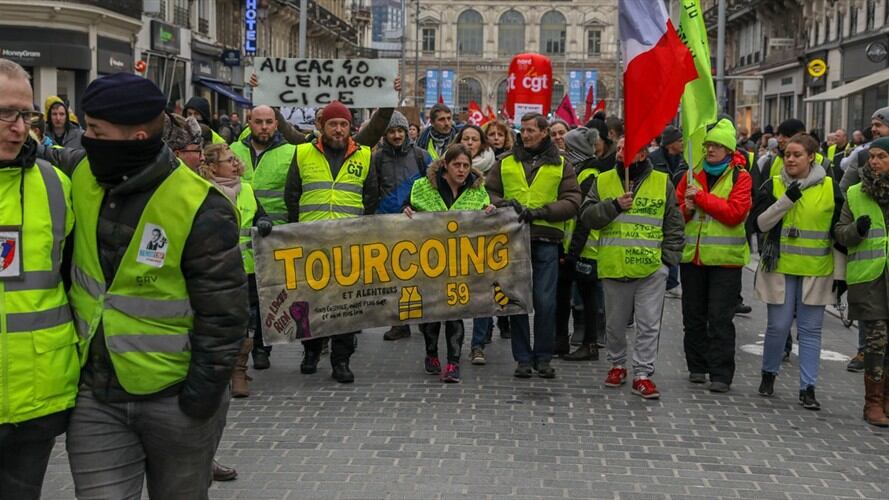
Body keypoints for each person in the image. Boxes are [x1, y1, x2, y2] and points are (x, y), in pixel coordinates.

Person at [41, 73, 247, 498]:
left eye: (96, 132)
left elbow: (224, 314)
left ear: (134, 138)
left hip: (176, 401)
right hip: (97, 397)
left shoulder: (201, 205)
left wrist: (200, 399)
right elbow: (44, 153)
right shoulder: (82, 173)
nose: (87, 138)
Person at [0, 58, 79, 500]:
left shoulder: (54, 183)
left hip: (37, 395)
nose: (19, 127)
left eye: (25, 114)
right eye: (5, 113)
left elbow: (74, 278)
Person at [282, 100, 380, 384]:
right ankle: (311, 351)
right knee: (311, 303)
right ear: (322, 126)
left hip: (348, 244)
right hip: (312, 242)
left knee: (346, 305)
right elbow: (292, 194)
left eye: (343, 124)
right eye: (333, 124)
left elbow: (370, 197)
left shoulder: (364, 155)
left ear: (351, 127)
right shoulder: (302, 153)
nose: (338, 129)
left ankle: (341, 360)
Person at [581, 137, 685, 399]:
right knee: (615, 325)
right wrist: (614, 206)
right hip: (615, 266)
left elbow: (674, 222)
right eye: (618, 148)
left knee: (649, 324)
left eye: (626, 149)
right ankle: (617, 364)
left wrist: (668, 260)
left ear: (641, 154)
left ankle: (643, 373)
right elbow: (587, 217)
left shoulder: (662, 182)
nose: (619, 153)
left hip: (651, 268)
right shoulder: (603, 180)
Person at [485, 112, 581, 379]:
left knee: (545, 301)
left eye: (530, 130)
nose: (524, 135)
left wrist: (542, 212)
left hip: (546, 240)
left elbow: (573, 200)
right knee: (516, 301)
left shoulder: (562, 164)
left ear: (544, 132)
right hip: (513, 239)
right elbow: (488, 193)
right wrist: (506, 205)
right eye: (522, 130)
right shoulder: (505, 162)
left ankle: (543, 356)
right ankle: (523, 358)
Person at [750, 134, 842, 410]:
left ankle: (808, 388)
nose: (789, 159)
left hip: (816, 270)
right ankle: (769, 374)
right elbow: (759, 224)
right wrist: (784, 202)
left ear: (811, 157)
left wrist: (842, 274)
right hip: (779, 268)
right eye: (786, 154)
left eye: (796, 154)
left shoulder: (829, 186)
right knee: (777, 328)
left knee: (810, 331)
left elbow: (837, 231)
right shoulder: (774, 184)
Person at [403, 144, 494, 382]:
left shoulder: (478, 190)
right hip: (429, 260)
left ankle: (453, 364)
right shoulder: (422, 187)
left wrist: (492, 212)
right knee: (433, 312)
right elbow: (405, 208)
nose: (462, 170)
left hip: (460, 262)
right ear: (446, 165)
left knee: (455, 312)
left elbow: (488, 217)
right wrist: (406, 211)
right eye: (457, 165)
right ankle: (431, 354)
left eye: (466, 165)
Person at [676, 119, 752, 392]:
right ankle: (696, 367)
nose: (710, 150)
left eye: (717, 146)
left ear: (729, 150)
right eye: (708, 145)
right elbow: (677, 216)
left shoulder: (740, 177)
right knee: (693, 316)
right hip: (692, 259)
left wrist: (701, 199)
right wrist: (686, 207)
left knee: (720, 318)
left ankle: (721, 374)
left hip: (725, 261)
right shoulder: (691, 175)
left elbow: (735, 214)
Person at [835, 137, 889, 427]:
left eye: (882, 156)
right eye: (873, 156)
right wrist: (856, 230)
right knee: (876, 343)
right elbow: (840, 232)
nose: (875, 161)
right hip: (869, 282)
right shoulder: (856, 193)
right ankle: (873, 404)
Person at [373, 110, 431, 341]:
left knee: (421, 273)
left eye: (400, 131)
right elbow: (372, 189)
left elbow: (434, 186)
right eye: (392, 131)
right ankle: (399, 322)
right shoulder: (377, 158)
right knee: (394, 275)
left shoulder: (421, 156)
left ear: (407, 132)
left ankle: (425, 319)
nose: (396, 135)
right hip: (389, 224)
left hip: (417, 224)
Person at [557, 126, 604, 361]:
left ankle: (590, 343)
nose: (563, 150)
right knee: (564, 295)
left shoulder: (589, 175)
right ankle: (561, 341)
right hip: (571, 245)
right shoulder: (576, 170)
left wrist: (573, 252)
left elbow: (584, 219)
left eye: (567, 147)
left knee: (588, 298)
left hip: (585, 247)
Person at [649, 125, 689, 299]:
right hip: (658, 206)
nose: (682, 143)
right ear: (669, 143)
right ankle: (667, 280)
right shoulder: (653, 159)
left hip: (677, 206)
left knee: (674, 239)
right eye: (679, 140)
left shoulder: (685, 160)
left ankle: (672, 282)